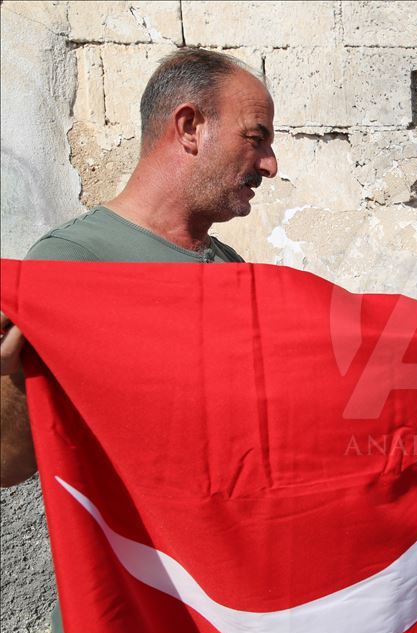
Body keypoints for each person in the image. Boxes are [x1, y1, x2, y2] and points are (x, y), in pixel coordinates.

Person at [0, 47, 278, 488]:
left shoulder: (230, 265)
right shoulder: (72, 261)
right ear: (190, 128)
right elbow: (7, 464)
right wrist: (17, 372)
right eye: (255, 137)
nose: (270, 164)